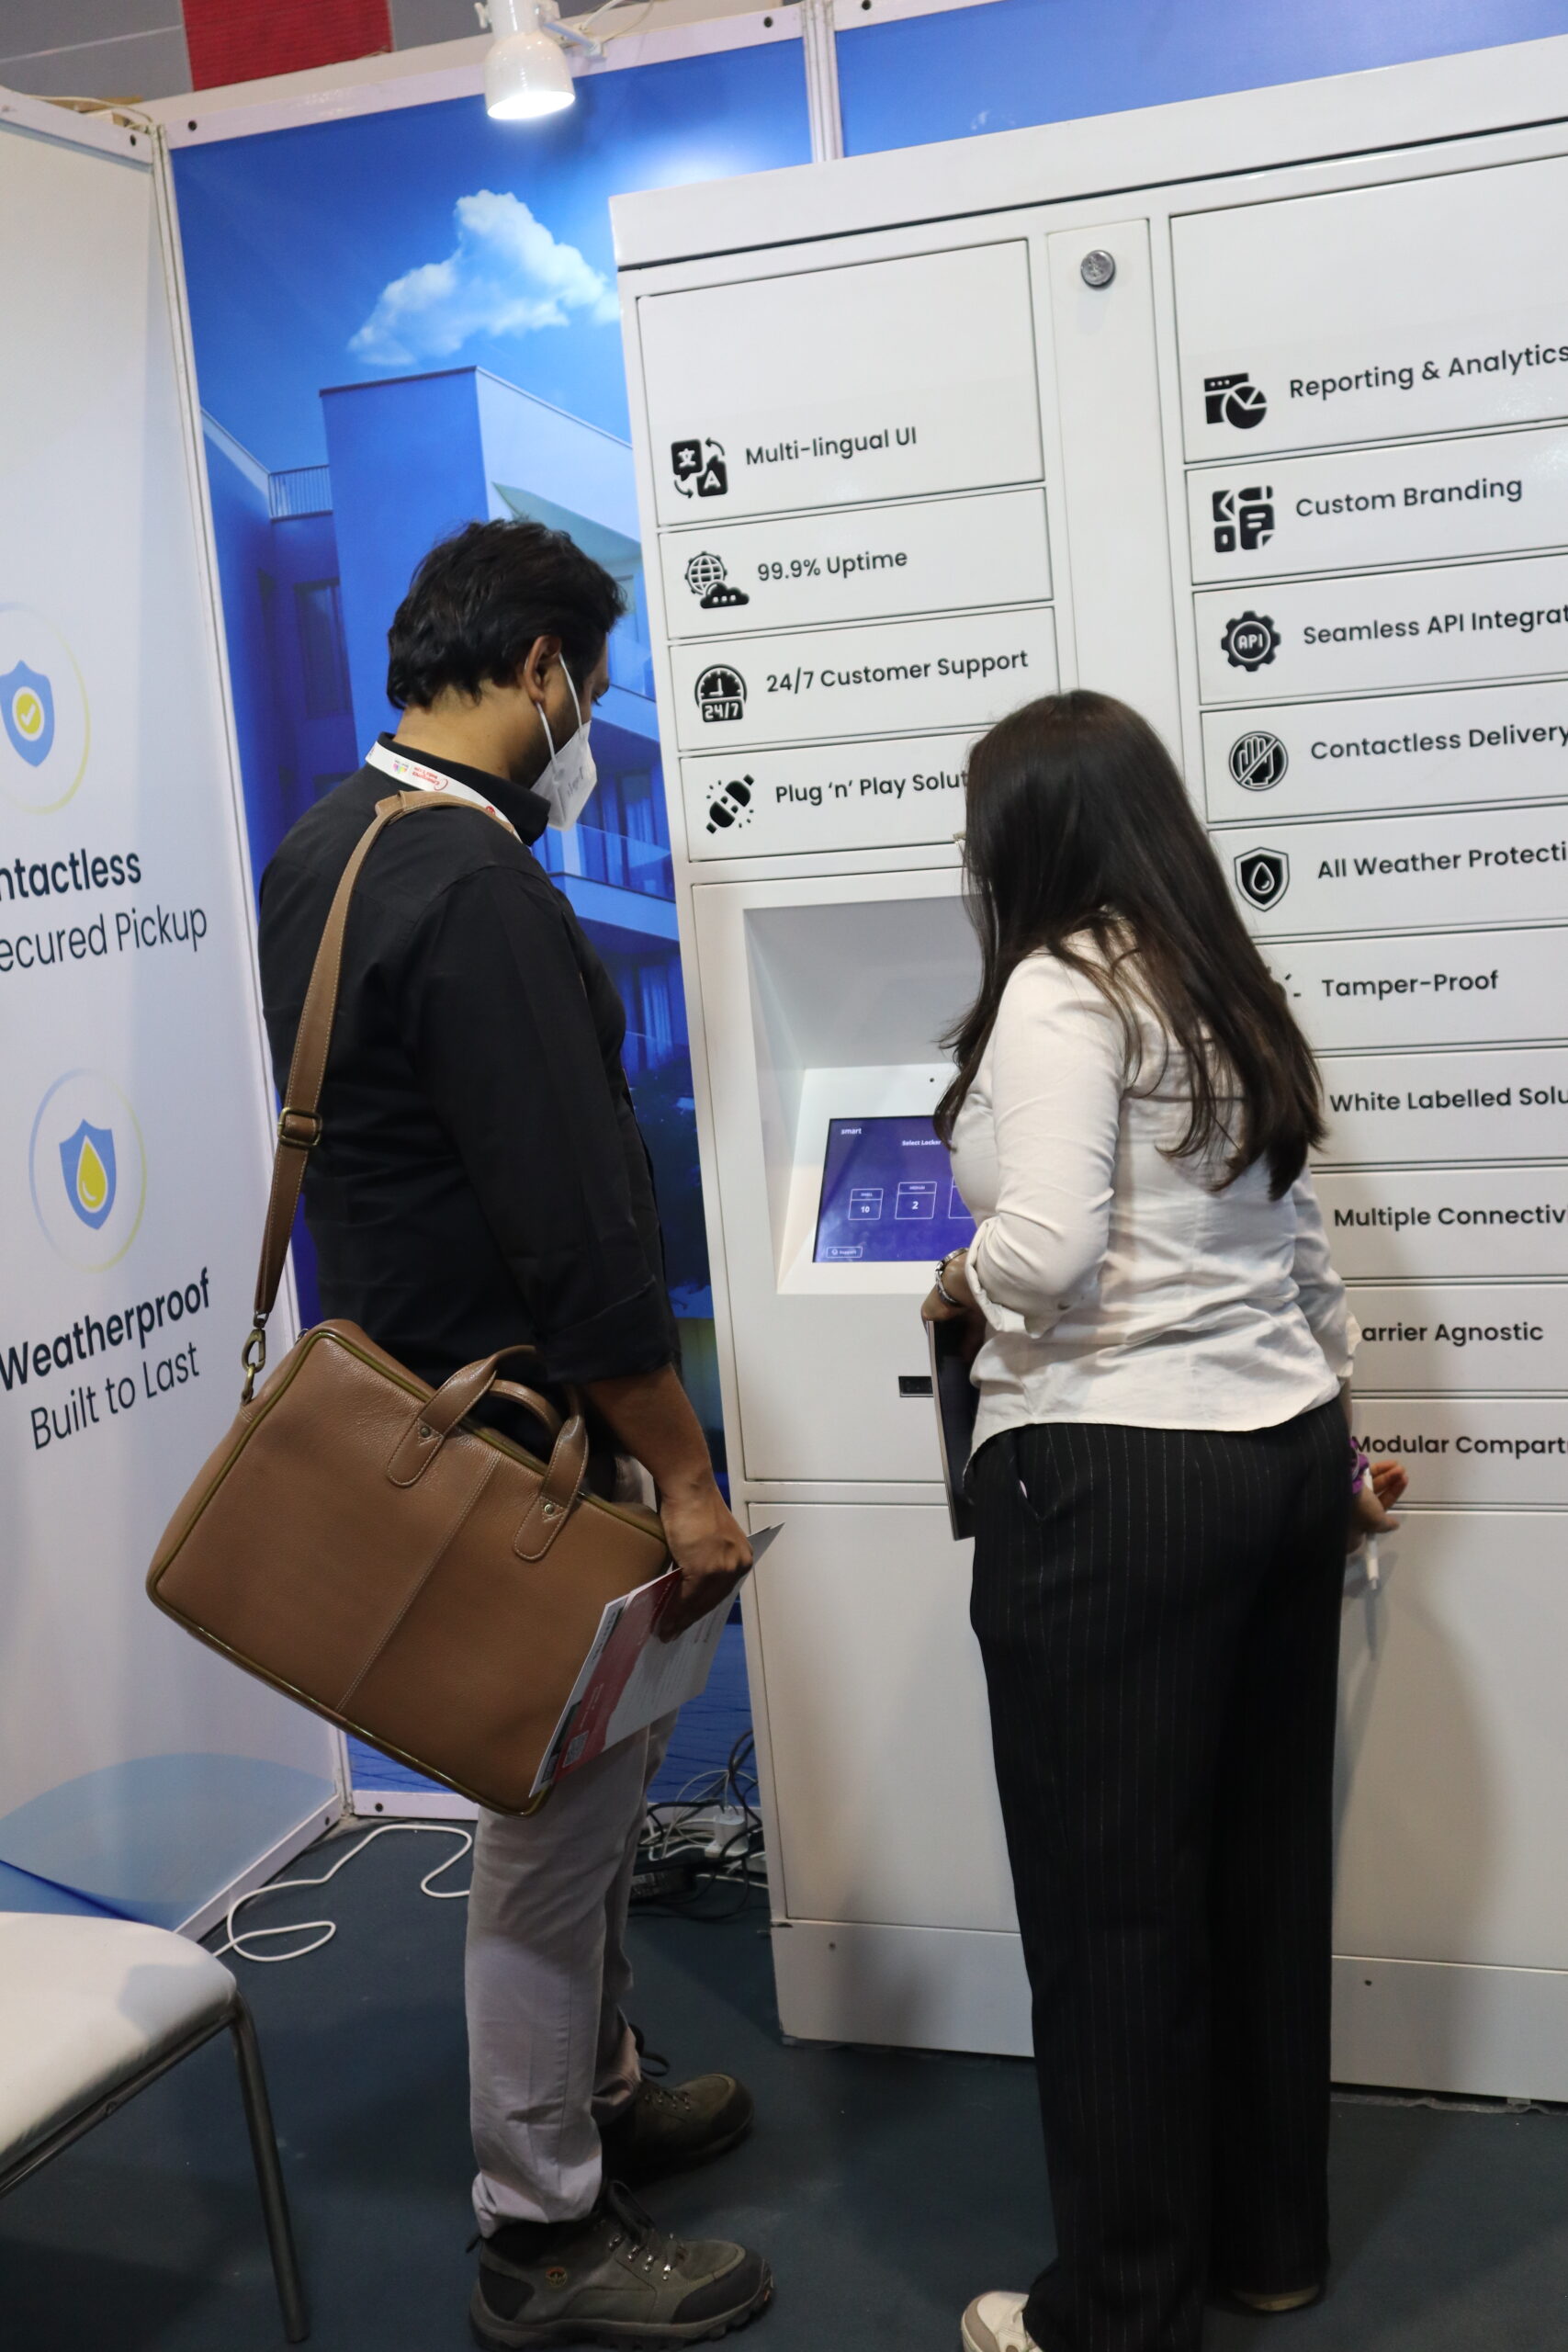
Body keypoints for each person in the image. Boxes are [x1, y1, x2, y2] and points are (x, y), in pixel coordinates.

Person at [257, 518, 771, 2348]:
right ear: (542, 669)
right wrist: (688, 1479)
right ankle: (539, 2225)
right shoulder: (477, 888)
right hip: (533, 1446)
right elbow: (576, 1231)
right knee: (551, 1827)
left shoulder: (330, 841)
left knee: (584, 1789)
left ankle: (606, 2081)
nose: (590, 733)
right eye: (595, 691)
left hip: (420, 1411)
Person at [922, 691, 1405, 2352]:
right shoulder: (1216, 980)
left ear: (1036, 837)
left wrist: (958, 1281)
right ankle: (1264, 2248)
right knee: (1262, 1878)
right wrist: (1336, 1450)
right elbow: (1313, 1263)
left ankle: (1118, 2316)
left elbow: (1044, 1256)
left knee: (1113, 1908)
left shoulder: (1061, 987)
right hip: (1279, 1460)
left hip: (1114, 1490)